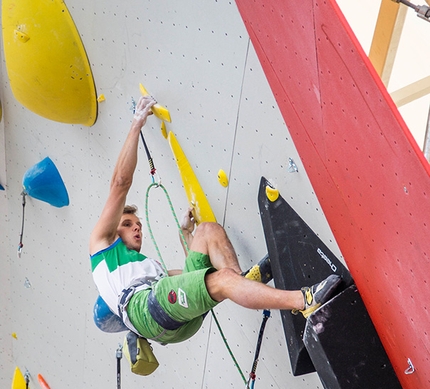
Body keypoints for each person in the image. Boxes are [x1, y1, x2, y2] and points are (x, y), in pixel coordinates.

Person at [90, 95, 341, 345]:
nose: (136, 227)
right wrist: (136, 124)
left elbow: (194, 278)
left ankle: (242, 281)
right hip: (146, 310)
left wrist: (186, 235)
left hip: (172, 319)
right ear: (113, 230)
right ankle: (305, 301)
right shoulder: (102, 246)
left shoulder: (147, 269)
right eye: (127, 224)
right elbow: (120, 185)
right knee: (222, 282)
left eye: (137, 224)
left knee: (208, 232)